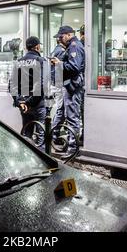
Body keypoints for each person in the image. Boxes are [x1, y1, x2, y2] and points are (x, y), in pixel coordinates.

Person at [51, 26, 85, 159]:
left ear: (69, 35)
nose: (60, 39)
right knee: (71, 117)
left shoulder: (74, 46)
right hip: (71, 86)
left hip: (72, 87)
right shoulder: (72, 46)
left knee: (72, 118)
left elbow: (74, 67)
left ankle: (72, 149)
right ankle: (73, 146)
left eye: (61, 36)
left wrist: (59, 63)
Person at [10, 36, 48, 151]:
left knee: (26, 133)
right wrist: (30, 102)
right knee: (41, 136)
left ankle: (26, 158)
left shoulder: (19, 62)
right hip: (38, 104)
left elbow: (12, 85)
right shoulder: (41, 61)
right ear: (37, 47)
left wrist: (20, 101)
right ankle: (42, 161)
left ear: (26, 48)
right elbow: (42, 85)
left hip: (24, 105)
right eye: (39, 46)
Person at [50, 35, 67, 146]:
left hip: (56, 84)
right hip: (59, 84)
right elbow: (60, 69)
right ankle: (54, 135)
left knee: (61, 110)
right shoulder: (60, 51)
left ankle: (54, 133)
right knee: (61, 110)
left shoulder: (56, 50)